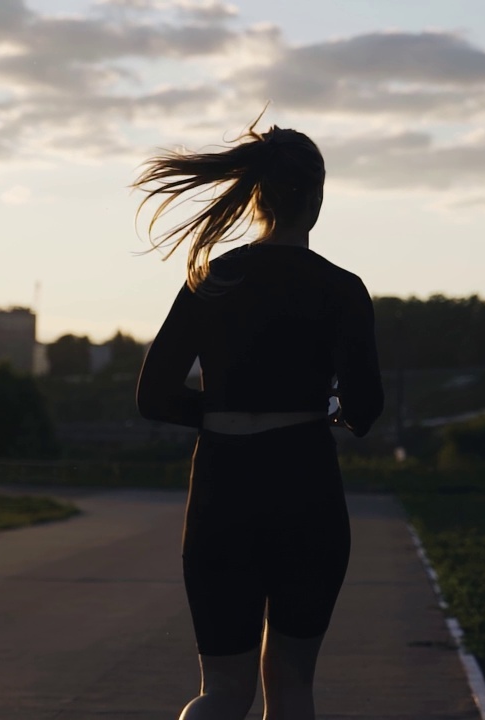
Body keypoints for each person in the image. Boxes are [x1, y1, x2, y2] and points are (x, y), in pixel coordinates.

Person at [132, 116, 384, 720]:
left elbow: (154, 396)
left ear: (255, 195)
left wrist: (223, 409)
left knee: (221, 690)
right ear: (317, 198)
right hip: (306, 484)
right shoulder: (342, 290)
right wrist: (319, 409)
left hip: (223, 487)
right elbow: (367, 409)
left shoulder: (212, 277)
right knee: (292, 689)